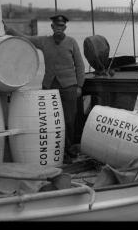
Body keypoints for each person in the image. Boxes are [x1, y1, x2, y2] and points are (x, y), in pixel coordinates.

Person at [7, 14, 85, 163]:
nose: (59, 29)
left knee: (69, 120)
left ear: (65, 28)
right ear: (52, 27)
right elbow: (26, 39)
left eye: (61, 26)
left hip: (69, 87)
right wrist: (10, 30)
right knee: (49, 121)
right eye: (56, 26)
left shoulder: (72, 42)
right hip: (49, 87)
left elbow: (80, 66)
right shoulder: (44, 41)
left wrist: (79, 86)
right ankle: (52, 151)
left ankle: (68, 153)